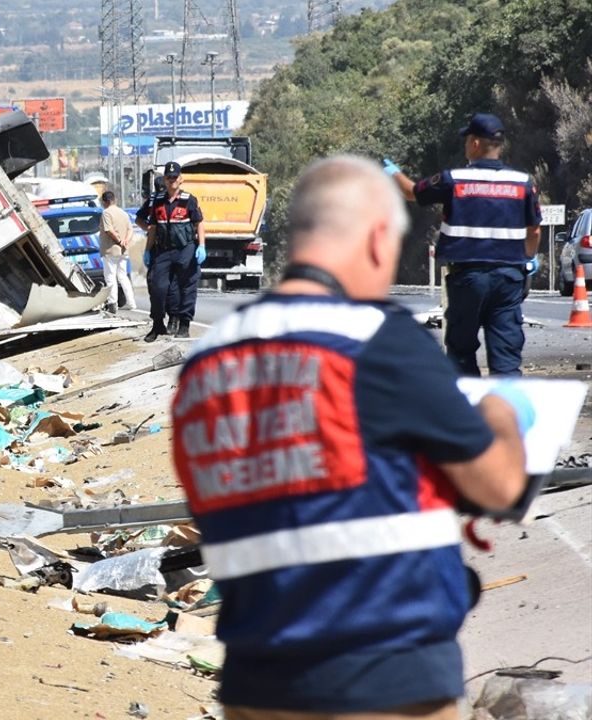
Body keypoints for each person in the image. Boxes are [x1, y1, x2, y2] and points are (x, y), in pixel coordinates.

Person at [170, 155, 530, 720]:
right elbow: (500, 485)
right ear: (379, 237)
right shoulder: (375, 337)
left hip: (254, 685)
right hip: (384, 679)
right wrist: (500, 414)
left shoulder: (205, 362)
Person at [386, 112, 541, 376]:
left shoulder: (454, 180)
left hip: (468, 280)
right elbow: (534, 230)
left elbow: (412, 192)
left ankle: (467, 401)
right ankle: (506, 402)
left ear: (475, 143)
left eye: (467, 140)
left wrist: (392, 172)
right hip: (508, 280)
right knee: (506, 358)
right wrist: (528, 257)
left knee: (461, 354)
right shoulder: (522, 183)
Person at [136, 161, 206, 340]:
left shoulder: (189, 200)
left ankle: (184, 324)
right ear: (165, 180)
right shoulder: (157, 201)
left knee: (187, 286)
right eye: (169, 177)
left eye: (175, 177)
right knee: (158, 287)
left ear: (181, 179)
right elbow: (152, 227)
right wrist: (148, 250)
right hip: (163, 250)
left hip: (185, 249)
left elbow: (199, 223)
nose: (172, 180)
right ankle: (157, 324)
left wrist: (202, 246)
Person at [97, 191, 137, 313]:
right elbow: (130, 229)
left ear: (105, 201)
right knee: (123, 276)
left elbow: (109, 230)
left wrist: (119, 241)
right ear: (115, 199)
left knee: (110, 276)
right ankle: (131, 302)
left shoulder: (106, 213)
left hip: (111, 250)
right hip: (123, 250)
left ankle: (112, 303)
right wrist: (125, 241)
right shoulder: (123, 213)